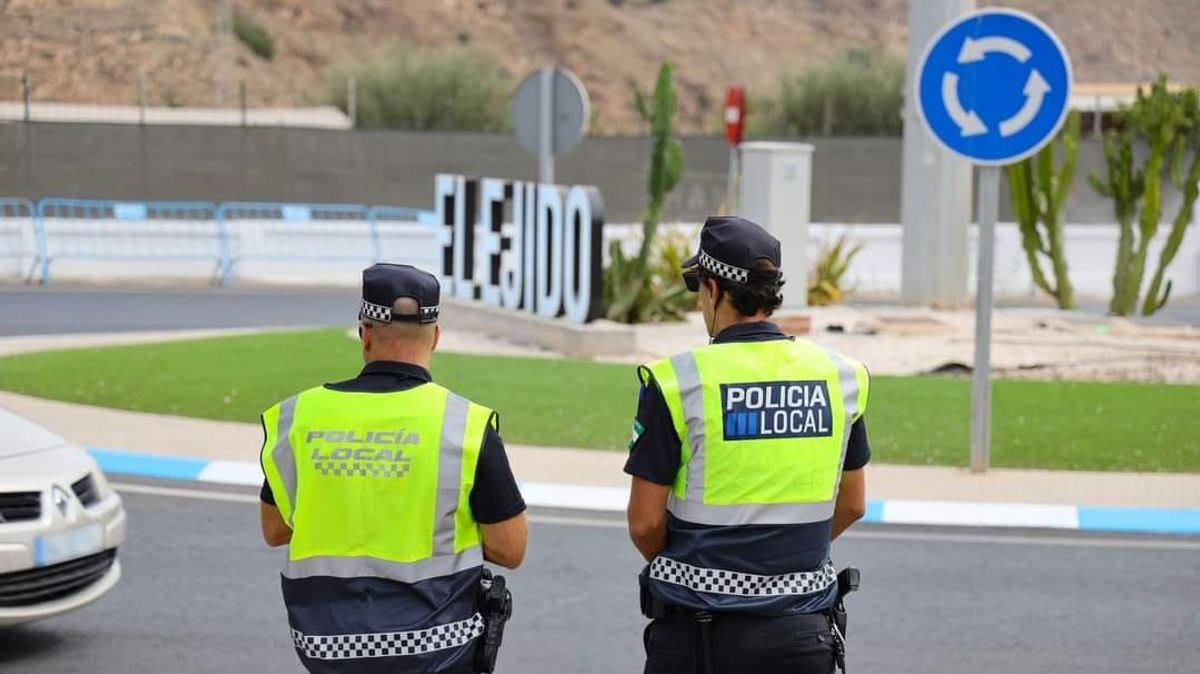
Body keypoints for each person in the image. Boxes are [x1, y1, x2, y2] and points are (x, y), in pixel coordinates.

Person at [625, 216, 871, 674]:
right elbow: (853, 503)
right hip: (803, 633)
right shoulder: (839, 377)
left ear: (713, 289)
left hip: (701, 637)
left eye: (698, 287)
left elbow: (644, 523)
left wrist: (698, 570)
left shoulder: (678, 382)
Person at [259, 263, 528, 674]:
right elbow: (511, 549)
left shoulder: (301, 418)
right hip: (436, 648)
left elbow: (275, 529)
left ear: (364, 332)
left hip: (327, 648)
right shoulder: (464, 425)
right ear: (435, 336)